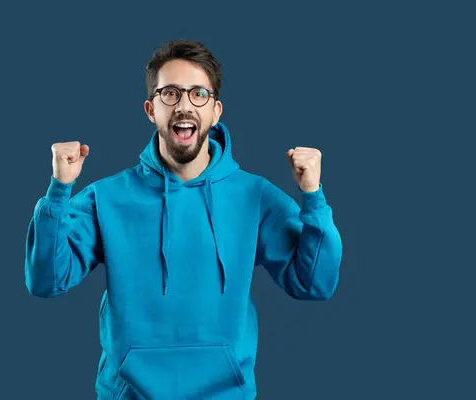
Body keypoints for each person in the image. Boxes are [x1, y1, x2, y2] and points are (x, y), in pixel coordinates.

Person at [24, 39, 343, 400]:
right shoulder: (107, 197)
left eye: (198, 94)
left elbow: (315, 284)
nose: (184, 106)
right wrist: (59, 191)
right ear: (150, 109)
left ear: (216, 110)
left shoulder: (255, 195)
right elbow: (46, 280)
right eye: (171, 94)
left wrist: (313, 196)